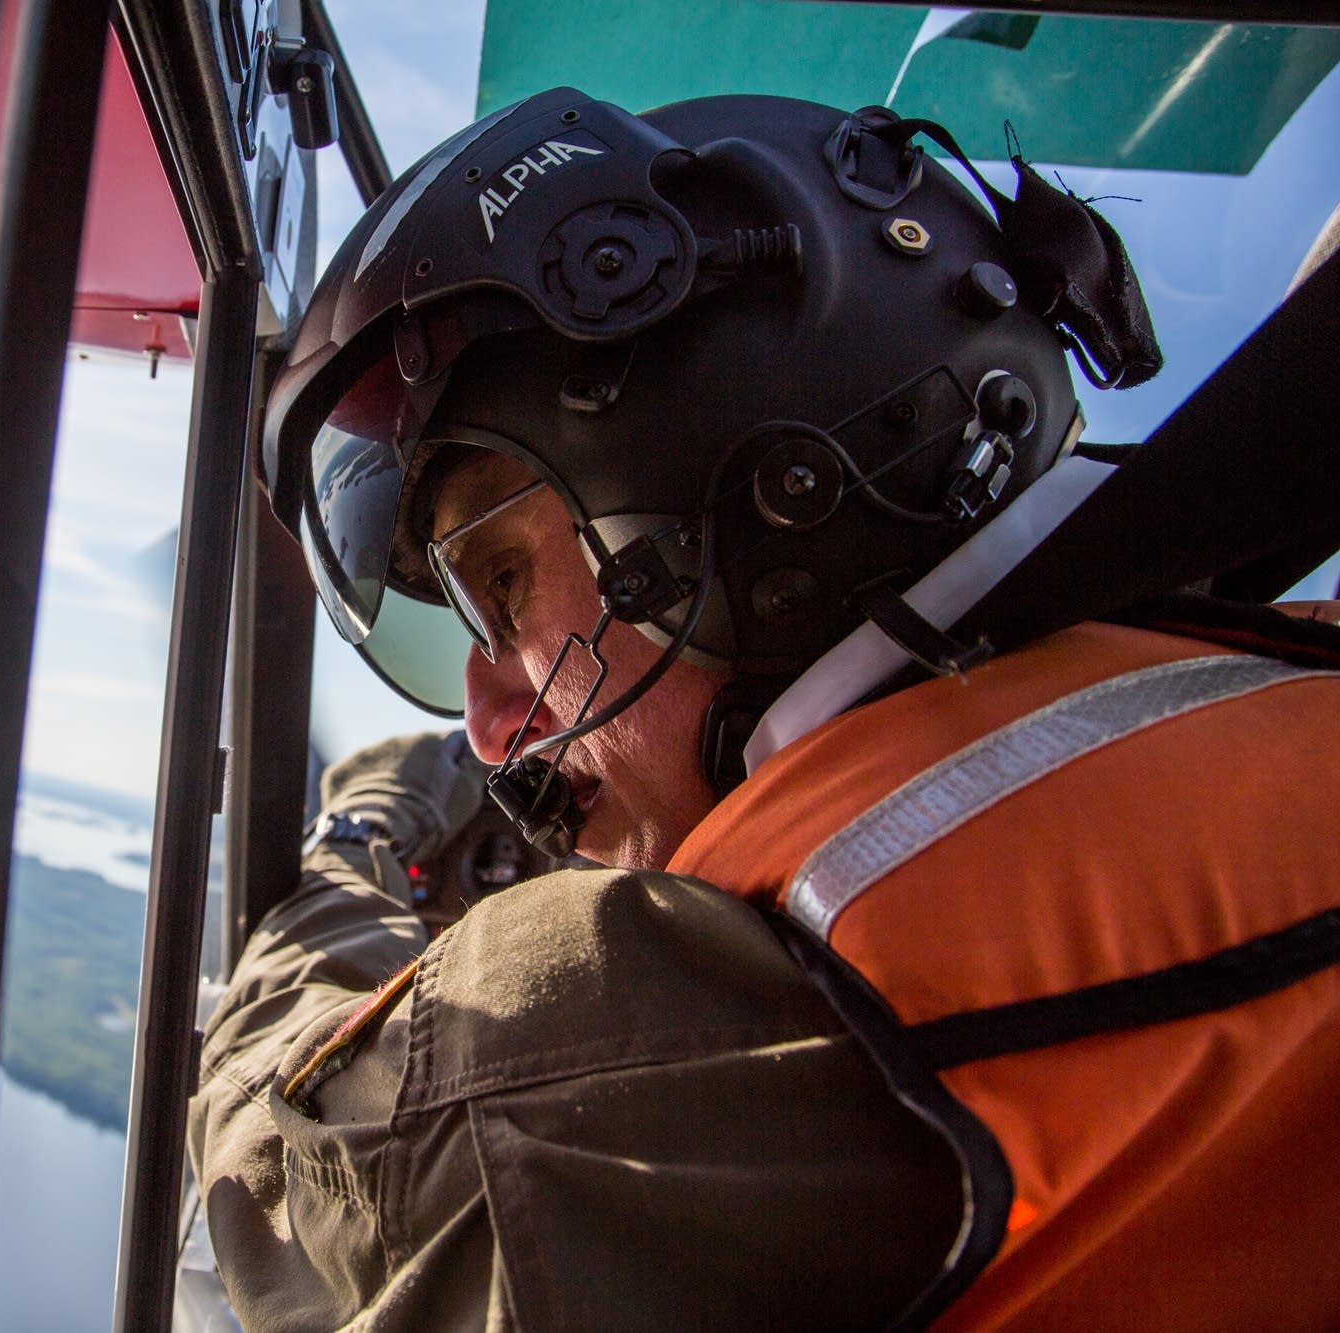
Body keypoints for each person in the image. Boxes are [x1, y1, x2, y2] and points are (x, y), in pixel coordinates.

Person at [189, 88, 1340, 1331]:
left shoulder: (632, 1057)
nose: (484, 724)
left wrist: (360, 837)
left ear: (755, 492)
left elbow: (281, 1135)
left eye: (501, 587)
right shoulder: (1250, 678)